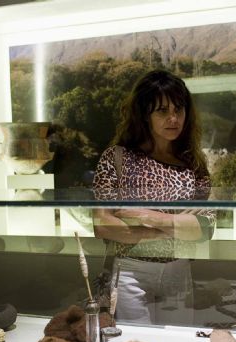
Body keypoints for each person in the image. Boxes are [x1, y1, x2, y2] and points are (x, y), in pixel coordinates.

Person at [92, 69, 215, 324]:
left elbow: (205, 228)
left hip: (178, 269)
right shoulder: (117, 158)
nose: (173, 118)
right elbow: (102, 224)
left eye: (179, 109)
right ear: (144, 114)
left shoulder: (193, 164)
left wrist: (146, 216)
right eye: (162, 111)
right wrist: (174, 227)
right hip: (130, 271)